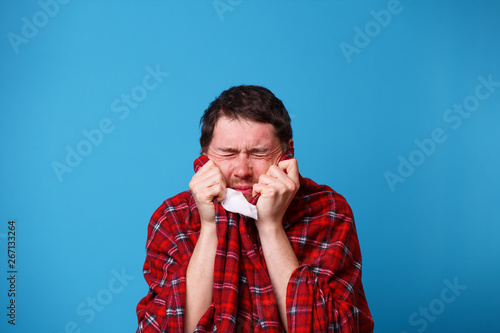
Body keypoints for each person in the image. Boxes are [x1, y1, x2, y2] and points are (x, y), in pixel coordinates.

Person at [136, 85, 374, 332]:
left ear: (287, 153)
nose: (242, 170)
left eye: (259, 153)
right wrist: (210, 227)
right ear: (205, 155)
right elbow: (167, 328)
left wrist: (270, 226)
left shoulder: (328, 211)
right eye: (228, 154)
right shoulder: (173, 217)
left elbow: (332, 329)